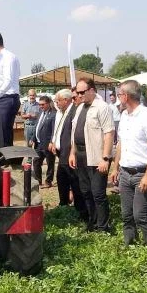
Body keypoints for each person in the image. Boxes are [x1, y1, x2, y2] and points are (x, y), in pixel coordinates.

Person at [110, 80, 147, 246]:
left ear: (126, 96)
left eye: (119, 94)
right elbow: (121, 144)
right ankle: (130, 245)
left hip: (141, 173)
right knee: (127, 214)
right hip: (125, 173)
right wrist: (115, 167)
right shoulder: (124, 116)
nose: (118, 97)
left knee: (140, 214)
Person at [69, 78, 115, 233]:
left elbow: (109, 133)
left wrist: (105, 158)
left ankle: (103, 226)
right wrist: (72, 153)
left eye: (82, 92)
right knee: (86, 192)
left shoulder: (102, 107)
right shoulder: (80, 108)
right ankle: (92, 222)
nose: (79, 95)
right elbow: (74, 133)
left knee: (98, 194)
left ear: (92, 90)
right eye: (78, 92)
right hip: (81, 155)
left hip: (96, 157)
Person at [50, 88, 88, 221]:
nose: (57, 103)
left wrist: (72, 152)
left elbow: (73, 135)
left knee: (74, 183)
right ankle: (64, 205)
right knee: (61, 179)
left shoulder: (74, 111)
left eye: (58, 101)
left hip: (69, 155)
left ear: (66, 100)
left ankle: (80, 211)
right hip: (62, 154)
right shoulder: (64, 112)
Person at [32, 95, 56, 188]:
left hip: (47, 143)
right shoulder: (40, 113)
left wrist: (51, 142)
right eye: (39, 104)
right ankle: (38, 181)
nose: (41, 106)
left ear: (48, 104)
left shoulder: (54, 114)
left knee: (50, 163)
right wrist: (33, 139)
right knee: (36, 162)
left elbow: (54, 130)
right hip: (38, 144)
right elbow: (37, 127)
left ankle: (48, 181)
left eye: (43, 104)